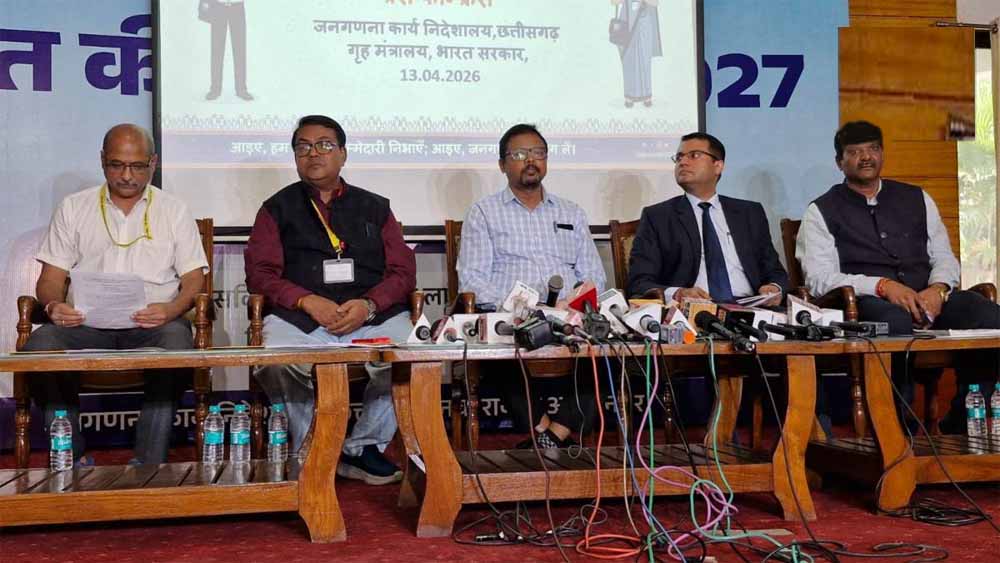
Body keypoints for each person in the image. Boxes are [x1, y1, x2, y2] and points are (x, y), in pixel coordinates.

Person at [797, 120, 1000, 433]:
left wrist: (938, 288)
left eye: (873, 149)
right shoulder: (821, 210)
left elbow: (944, 257)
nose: (866, 157)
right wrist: (881, 286)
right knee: (893, 321)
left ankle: (963, 416)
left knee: (988, 315)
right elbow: (819, 278)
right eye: (855, 152)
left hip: (929, 298)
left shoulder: (917, 198)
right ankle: (897, 427)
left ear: (882, 154)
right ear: (840, 162)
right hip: (868, 303)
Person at [23, 123, 209, 465]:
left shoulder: (173, 210)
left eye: (137, 166)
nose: (126, 175)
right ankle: (71, 458)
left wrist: (170, 310)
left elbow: (194, 279)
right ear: (102, 160)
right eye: (116, 165)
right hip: (85, 325)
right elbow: (50, 278)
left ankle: (149, 462)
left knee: (178, 341)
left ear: (153, 163)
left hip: (152, 325)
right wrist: (53, 305)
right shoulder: (74, 207)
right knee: (40, 345)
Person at [245, 115, 415, 484]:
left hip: (370, 317)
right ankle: (315, 447)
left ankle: (363, 447)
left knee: (412, 355)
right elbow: (260, 274)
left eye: (324, 145)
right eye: (303, 147)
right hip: (301, 319)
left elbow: (402, 272)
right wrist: (306, 300)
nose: (313, 153)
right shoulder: (275, 208)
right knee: (275, 362)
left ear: (343, 154)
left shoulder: (375, 207)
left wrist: (369, 305)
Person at [458, 123, 606, 448]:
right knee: (499, 348)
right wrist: (529, 308)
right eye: (519, 154)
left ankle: (552, 436)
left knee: (607, 351)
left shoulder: (571, 212)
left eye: (538, 153)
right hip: (514, 317)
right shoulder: (483, 212)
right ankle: (548, 433)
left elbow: (595, 276)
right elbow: (472, 281)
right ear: (502, 164)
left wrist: (573, 303)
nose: (530, 160)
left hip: (568, 317)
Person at [627, 132, 789, 304]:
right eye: (679, 157)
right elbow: (639, 282)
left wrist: (774, 287)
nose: (683, 162)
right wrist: (677, 293)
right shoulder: (658, 217)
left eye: (694, 155)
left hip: (751, 307)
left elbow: (775, 271)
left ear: (718, 166)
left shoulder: (749, 213)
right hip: (692, 310)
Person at [611, 0, 662, 108]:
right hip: (627, 23)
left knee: (645, 59)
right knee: (628, 61)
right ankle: (629, 96)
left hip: (644, 23)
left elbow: (656, 3)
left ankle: (646, 95)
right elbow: (614, 2)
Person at [203, 0, 252, 101]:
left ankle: (241, 89)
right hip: (218, 7)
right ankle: (215, 89)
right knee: (216, 50)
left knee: (240, 50)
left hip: (237, 6)